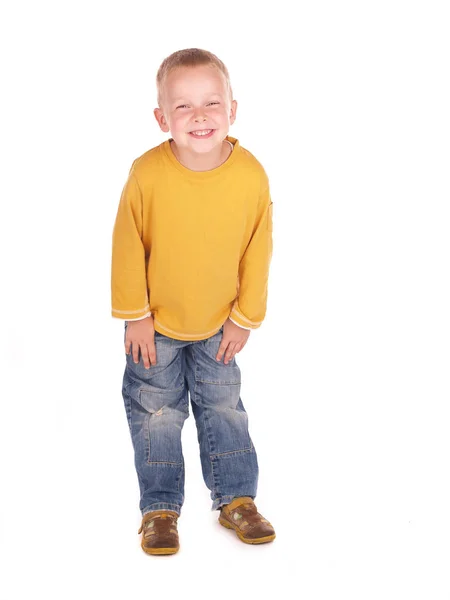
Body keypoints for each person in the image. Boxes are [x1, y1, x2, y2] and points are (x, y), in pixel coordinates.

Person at [111, 48, 275, 556]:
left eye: (211, 103)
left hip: (219, 327)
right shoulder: (147, 173)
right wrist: (135, 316)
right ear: (162, 118)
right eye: (183, 107)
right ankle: (159, 509)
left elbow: (259, 248)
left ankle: (237, 499)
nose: (199, 116)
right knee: (156, 415)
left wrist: (245, 318)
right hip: (154, 329)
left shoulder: (251, 175)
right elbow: (126, 244)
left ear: (233, 109)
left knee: (225, 410)